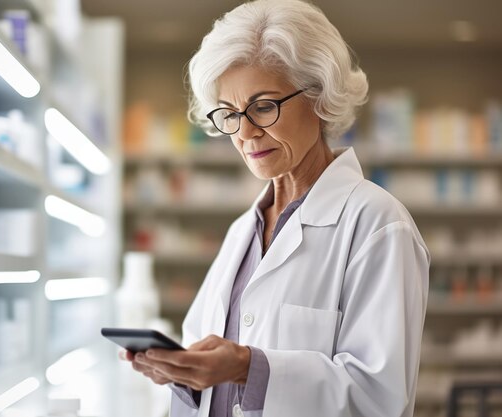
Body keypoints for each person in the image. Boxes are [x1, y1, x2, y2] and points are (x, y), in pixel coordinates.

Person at [120, 0, 430, 416]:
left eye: (263, 105)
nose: (245, 132)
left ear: (319, 95)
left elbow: (380, 399)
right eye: (229, 113)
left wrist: (251, 368)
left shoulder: (377, 224)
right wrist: (181, 370)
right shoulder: (241, 233)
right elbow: (209, 359)